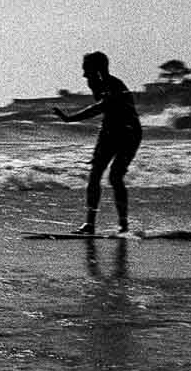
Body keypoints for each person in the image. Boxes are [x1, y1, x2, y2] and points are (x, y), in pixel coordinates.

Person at [53, 51, 143, 235]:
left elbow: (101, 106)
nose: (84, 74)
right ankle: (90, 224)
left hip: (129, 132)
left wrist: (70, 119)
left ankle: (123, 225)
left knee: (115, 177)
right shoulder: (94, 82)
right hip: (109, 130)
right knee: (94, 175)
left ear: (99, 69)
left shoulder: (114, 85)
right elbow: (104, 109)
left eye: (87, 70)